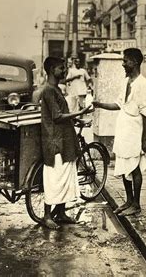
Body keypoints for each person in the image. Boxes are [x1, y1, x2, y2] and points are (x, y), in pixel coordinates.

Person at [93, 48, 146, 216]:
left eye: (125, 61)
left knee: (134, 168)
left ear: (134, 62)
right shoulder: (126, 82)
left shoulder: (143, 84)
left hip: (135, 131)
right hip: (123, 130)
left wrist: (145, 140)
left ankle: (136, 204)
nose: (123, 64)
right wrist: (99, 104)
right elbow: (118, 105)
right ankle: (128, 200)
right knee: (123, 165)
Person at [40, 56, 88, 230]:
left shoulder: (56, 89)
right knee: (55, 178)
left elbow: (62, 114)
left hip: (64, 139)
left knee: (66, 176)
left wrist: (76, 120)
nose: (64, 71)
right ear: (52, 69)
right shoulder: (49, 90)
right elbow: (57, 116)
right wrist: (79, 113)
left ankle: (60, 212)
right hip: (55, 141)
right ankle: (47, 216)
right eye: (61, 68)